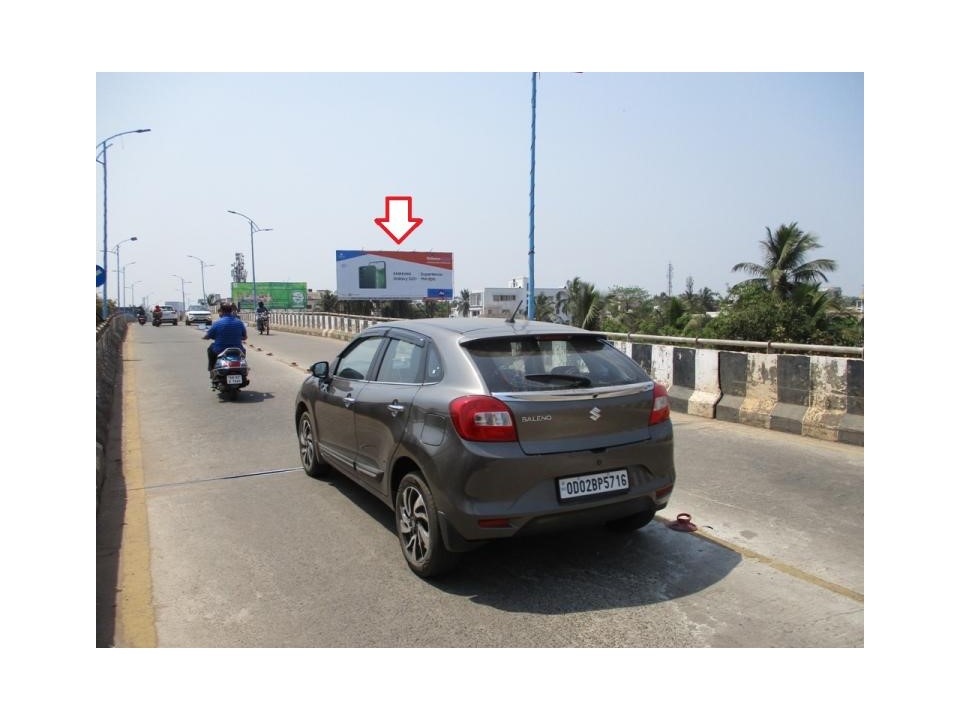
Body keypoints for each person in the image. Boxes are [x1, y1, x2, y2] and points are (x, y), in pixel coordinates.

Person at [203, 302, 247, 377]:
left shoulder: (217, 323)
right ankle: (243, 372)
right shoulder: (239, 322)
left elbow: (207, 336)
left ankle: (212, 369)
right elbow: (245, 337)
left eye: (219, 311)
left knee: (210, 349)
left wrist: (205, 337)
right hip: (237, 349)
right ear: (231, 311)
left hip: (220, 350)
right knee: (243, 352)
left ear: (222, 311)